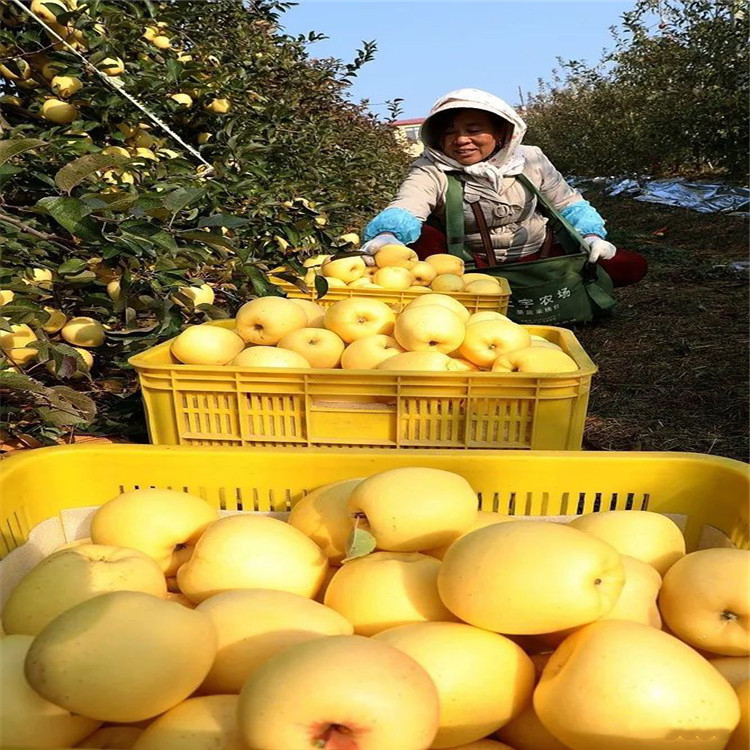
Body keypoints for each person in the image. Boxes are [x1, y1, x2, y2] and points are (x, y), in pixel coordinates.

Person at [361, 88, 647, 287]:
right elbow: (408, 203)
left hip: (539, 255)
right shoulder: (431, 168)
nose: (461, 140)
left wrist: (593, 235)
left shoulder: (530, 159)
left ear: (501, 132)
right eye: (450, 132)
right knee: (419, 240)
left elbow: (567, 203)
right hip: (469, 265)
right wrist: (389, 235)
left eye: (473, 130)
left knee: (628, 264)